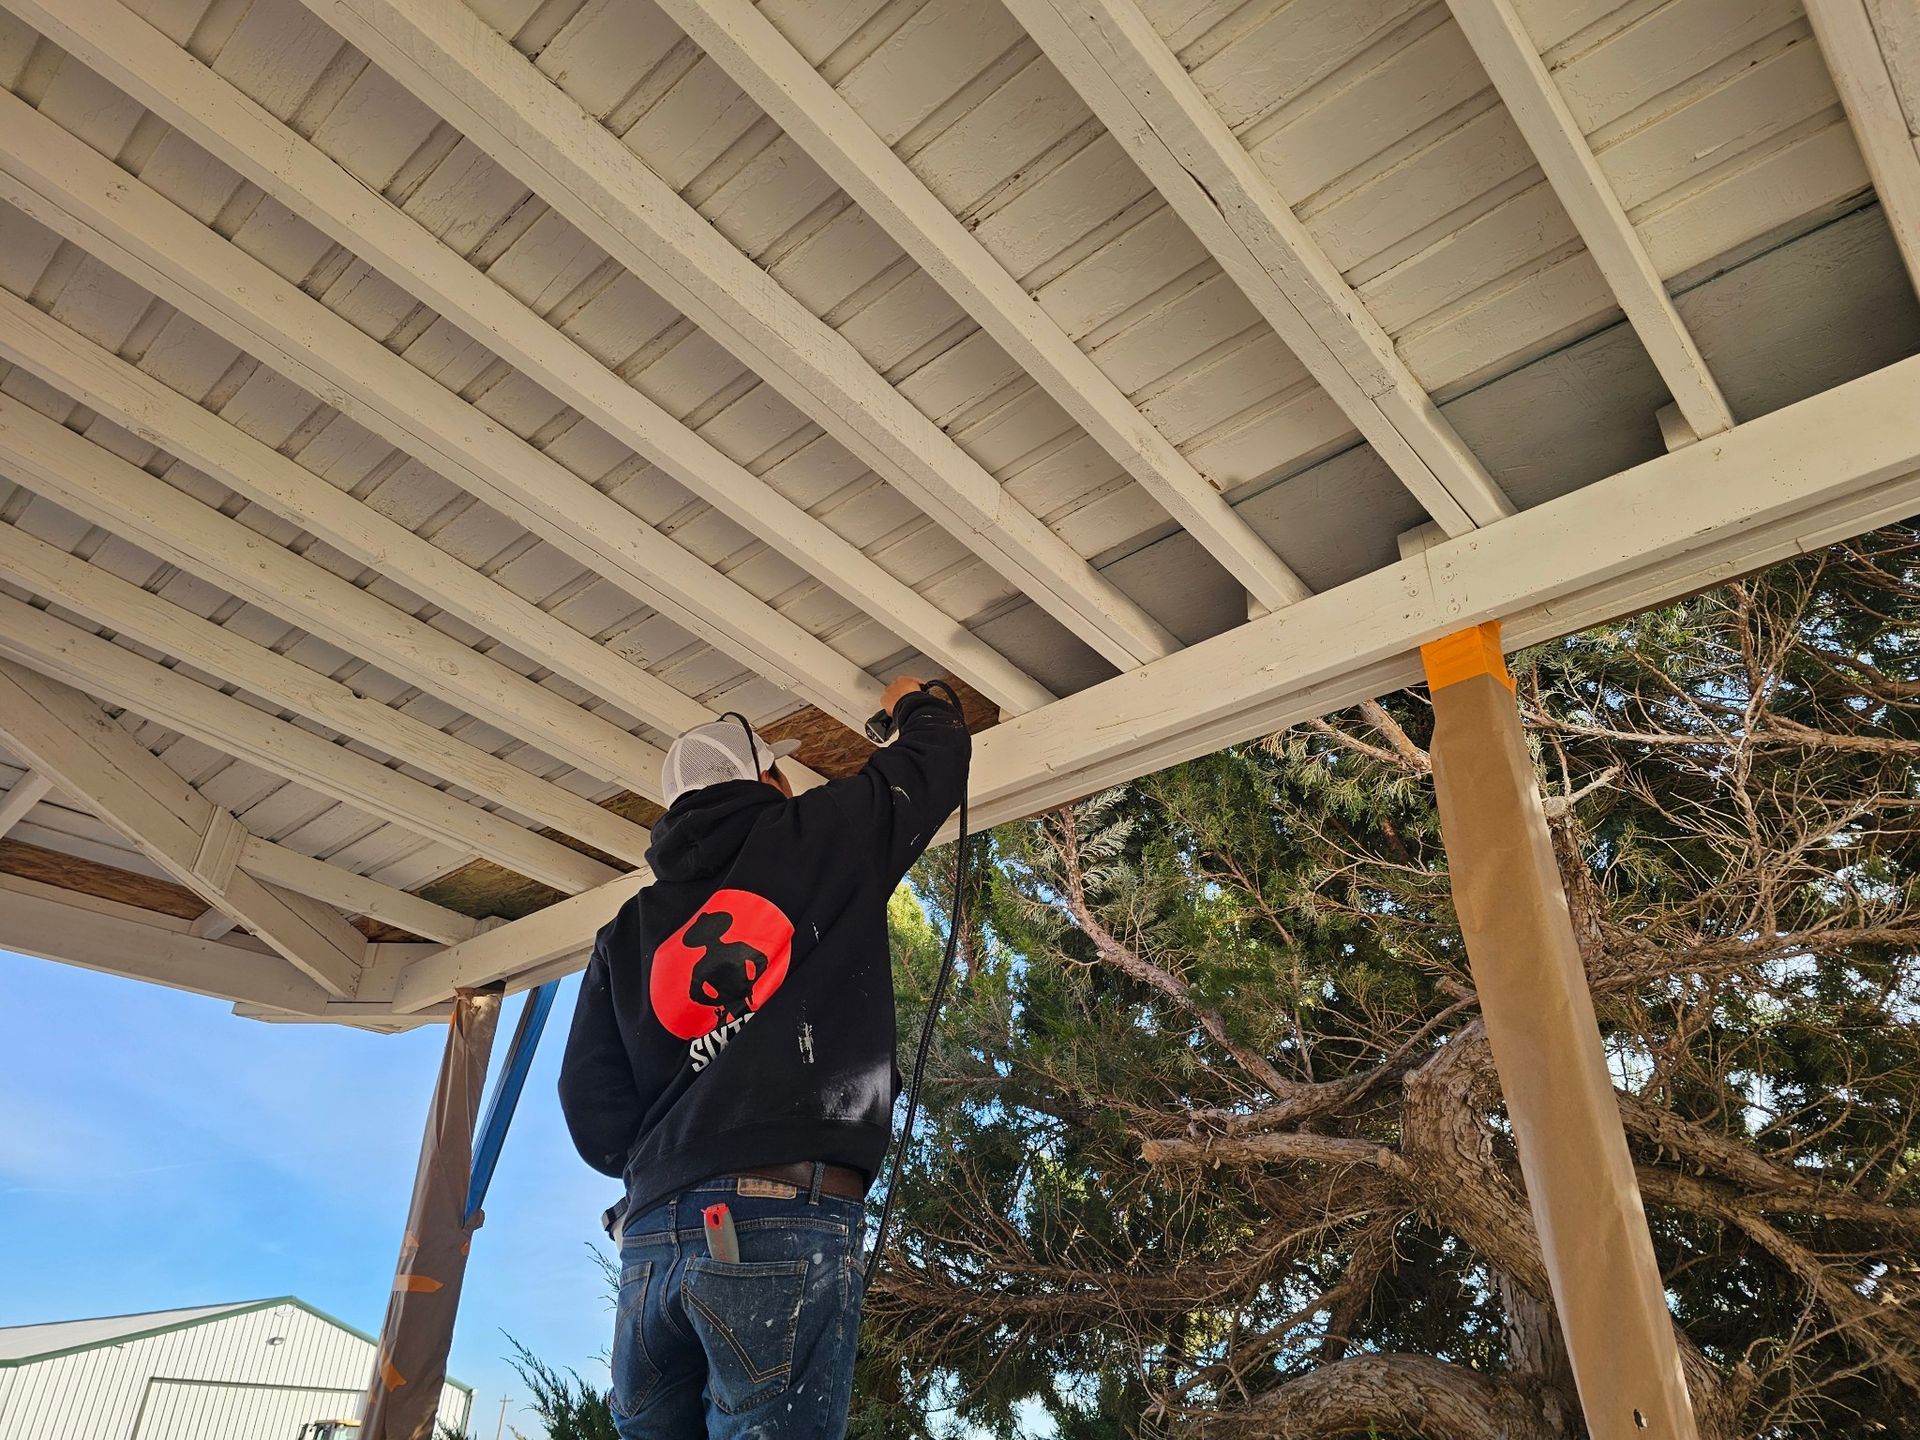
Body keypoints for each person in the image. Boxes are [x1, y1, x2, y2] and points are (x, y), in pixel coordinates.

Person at [558, 675, 971, 1439]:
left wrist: (675, 1148)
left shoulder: (627, 930)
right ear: (767, 779)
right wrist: (916, 698)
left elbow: (593, 1111)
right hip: (778, 1220)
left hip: (649, 1243)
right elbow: (936, 757)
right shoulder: (820, 834)